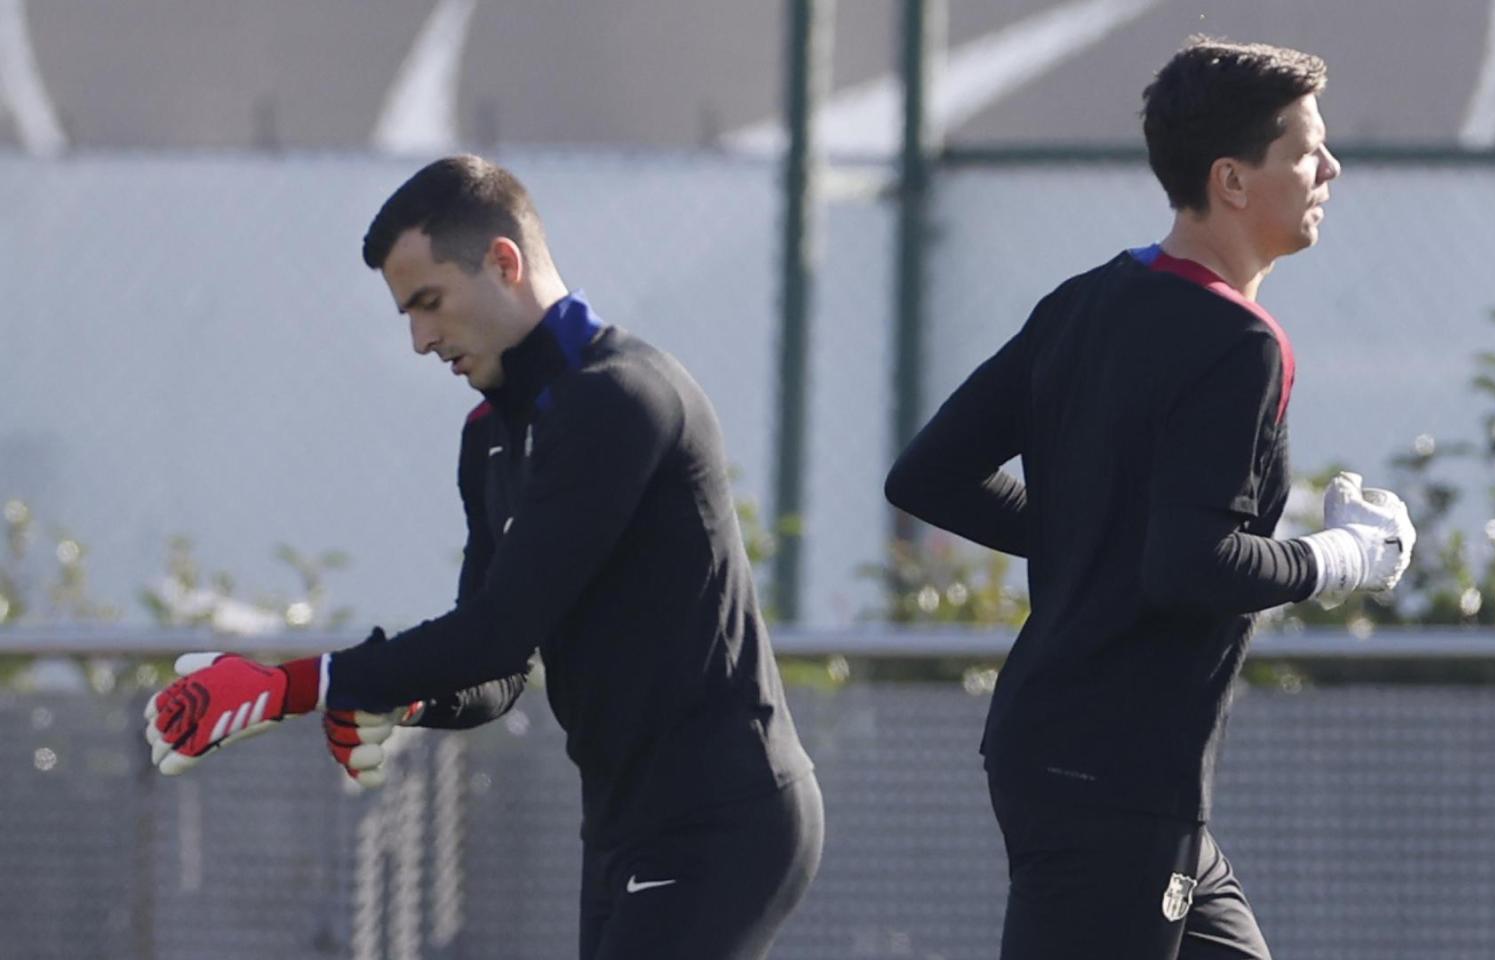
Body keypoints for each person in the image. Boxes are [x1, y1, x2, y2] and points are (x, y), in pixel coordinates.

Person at [143, 155, 822, 960]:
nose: (420, 340)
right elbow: (497, 674)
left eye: (429, 303)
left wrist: (286, 686)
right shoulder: (490, 436)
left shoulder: (619, 397)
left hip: (723, 816)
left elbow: (498, 632)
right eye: (405, 314)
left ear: (504, 261)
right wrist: (403, 704)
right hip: (623, 825)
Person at [884, 38, 1414, 960]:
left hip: (1083, 760)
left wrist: (1095, 539)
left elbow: (930, 473)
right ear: (1231, 181)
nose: (1330, 168)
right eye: (1304, 151)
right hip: (1115, 774)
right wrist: (1343, 561)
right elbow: (1192, 565)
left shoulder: (1085, 301)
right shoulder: (1242, 343)